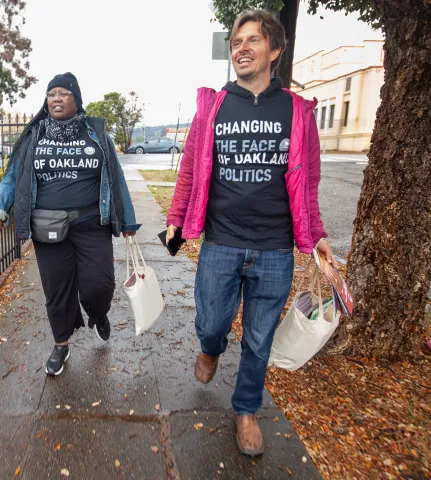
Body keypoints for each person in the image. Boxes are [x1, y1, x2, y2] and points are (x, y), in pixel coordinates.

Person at [165, 10, 335, 456]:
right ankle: (210, 347)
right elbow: (191, 170)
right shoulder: (214, 106)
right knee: (211, 321)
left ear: (275, 51)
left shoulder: (298, 112)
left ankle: (245, 410)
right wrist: (177, 217)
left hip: (275, 249)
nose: (240, 48)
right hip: (221, 241)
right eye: (237, 41)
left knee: (259, 339)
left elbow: (309, 180)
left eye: (253, 40)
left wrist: (316, 236)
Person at [0, 72, 140, 376]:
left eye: (63, 93)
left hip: (91, 223)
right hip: (48, 227)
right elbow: (12, 176)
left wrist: (129, 220)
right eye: (51, 93)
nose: (56, 98)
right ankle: (61, 345)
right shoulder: (35, 136)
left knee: (101, 285)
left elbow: (116, 178)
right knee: (56, 290)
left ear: (76, 99)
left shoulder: (97, 135)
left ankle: (97, 312)